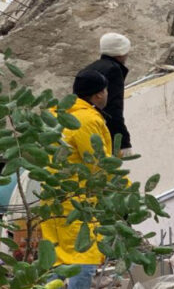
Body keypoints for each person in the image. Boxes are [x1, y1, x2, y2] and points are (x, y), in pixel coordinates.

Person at [41, 70, 111, 289]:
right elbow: (97, 163)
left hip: (51, 197)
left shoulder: (54, 114)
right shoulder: (86, 119)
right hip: (78, 200)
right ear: (98, 95)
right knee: (84, 257)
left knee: (57, 259)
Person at [84, 32, 131, 156]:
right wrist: (123, 142)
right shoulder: (114, 70)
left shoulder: (89, 68)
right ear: (121, 53)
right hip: (102, 131)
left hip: (85, 126)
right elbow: (114, 108)